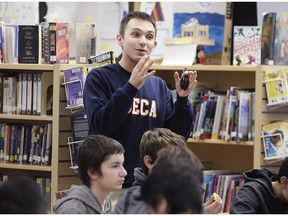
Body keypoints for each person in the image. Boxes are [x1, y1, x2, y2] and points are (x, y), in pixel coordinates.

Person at [83, 11, 197, 188]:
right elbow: (100, 125)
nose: (143, 41)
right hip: (108, 184)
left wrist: (182, 100)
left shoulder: (158, 85)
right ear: (120, 39)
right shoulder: (99, 78)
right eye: (135, 34)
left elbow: (176, 139)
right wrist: (130, 87)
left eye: (149, 36)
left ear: (155, 44)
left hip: (148, 184)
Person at [114, 128, 223, 214]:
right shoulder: (134, 198)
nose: (178, 166)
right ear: (149, 162)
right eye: (169, 159)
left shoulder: (177, 190)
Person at [53, 135, 127, 214]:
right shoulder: (72, 211)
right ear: (93, 173)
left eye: (122, 165)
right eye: (115, 166)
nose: (124, 172)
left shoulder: (106, 206)